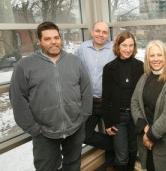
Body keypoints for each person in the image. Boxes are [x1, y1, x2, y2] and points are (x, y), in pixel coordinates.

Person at [9, 21, 93, 171]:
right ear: (39, 41)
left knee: (73, 165)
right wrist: (34, 129)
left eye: (56, 37)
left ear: (60, 38)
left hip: (75, 128)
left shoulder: (75, 61)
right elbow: (17, 99)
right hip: (44, 133)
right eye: (47, 39)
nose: (53, 42)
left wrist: (83, 116)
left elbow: (86, 90)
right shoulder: (25, 65)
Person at [131, 40, 166, 171]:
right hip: (146, 140)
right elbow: (134, 102)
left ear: (165, 57)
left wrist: (149, 135)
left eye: (159, 55)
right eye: (152, 55)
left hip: (164, 142)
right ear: (147, 58)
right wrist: (144, 127)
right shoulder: (144, 77)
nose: (156, 59)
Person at [102, 31, 144, 171]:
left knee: (133, 151)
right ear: (118, 46)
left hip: (135, 116)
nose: (128, 49)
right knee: (122, 156)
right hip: (118, 117)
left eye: (131, 45)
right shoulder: (109, 68)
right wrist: (107, 123)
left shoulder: (141, 66)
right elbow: (106, 97)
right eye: (124, 45)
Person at [77, 21, 116, 170]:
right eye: (98, 31)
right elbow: (78, 70)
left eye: (104, 32)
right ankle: (118, 145)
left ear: (108, 34)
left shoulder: (114, 48)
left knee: (112, 132)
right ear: (92, 32)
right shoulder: (83, 48)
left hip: (108, 102)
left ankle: (110, 164)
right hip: (88, 101)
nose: (101, 35)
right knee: (84, 135)